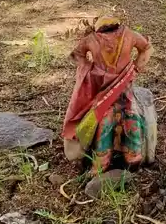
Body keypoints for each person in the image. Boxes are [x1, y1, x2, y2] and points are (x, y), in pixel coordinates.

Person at [62, 15, 153, 173]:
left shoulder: (128, 35)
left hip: (125, 84)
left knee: (130, 113)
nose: (111, 37)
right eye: (106, 33)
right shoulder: (91, 40)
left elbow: (146, 48)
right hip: (102, 89)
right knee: (105, 116)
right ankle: (102, 160)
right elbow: (77, 54)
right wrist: (90, 71)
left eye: (113, 32)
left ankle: (132, 156)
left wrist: (137, 67)